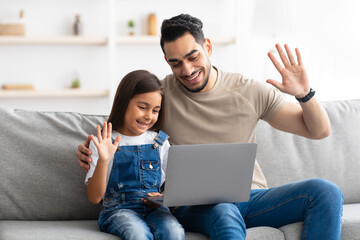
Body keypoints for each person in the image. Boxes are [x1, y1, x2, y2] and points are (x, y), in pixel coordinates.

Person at [77, 14, 343, 240]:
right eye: (176, 63)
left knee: (325, 192)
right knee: (224, 209)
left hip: (251, 197)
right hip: (192, 205)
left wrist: (304, 94)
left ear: (208, 46)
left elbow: (318, 130)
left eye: (193, 56)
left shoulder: (248, 90)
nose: (188, 69)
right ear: (167, 62)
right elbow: (127, 125)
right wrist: (90, 150)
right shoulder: (161, 95)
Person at [85, 70, 185, 240]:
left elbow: (177, 188)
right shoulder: (104, 142)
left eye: (155, 110)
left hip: (155, 209)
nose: (148, 116)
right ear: (124, 103)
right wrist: (103, 159)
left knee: (174, 231)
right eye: (142, 107)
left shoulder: (160, 142)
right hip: (118, 210)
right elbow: (95, 198)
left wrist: (163, 197)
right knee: (137, 233)